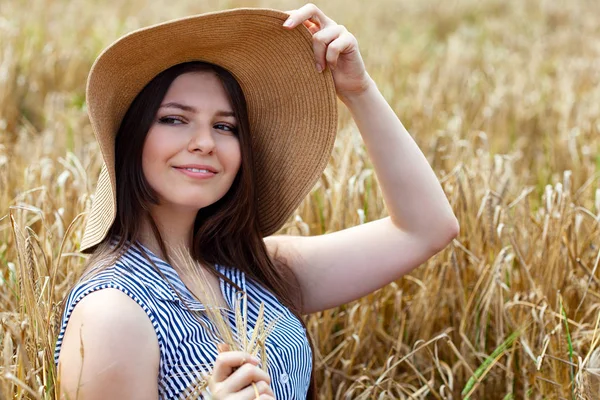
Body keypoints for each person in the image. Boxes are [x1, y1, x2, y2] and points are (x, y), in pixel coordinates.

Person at [54, 3, 459, 400]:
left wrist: (358, 90)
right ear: (130, 138)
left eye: (224, 126)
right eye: (174, 119)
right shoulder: (112, 313)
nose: (204, 143)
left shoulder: (254, 269)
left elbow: (425, 229)